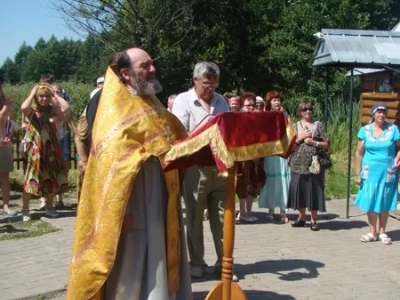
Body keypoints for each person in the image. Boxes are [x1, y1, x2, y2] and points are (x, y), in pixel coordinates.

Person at [66, 47, 192, 300]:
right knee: (134, 252)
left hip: (159, 190)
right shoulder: (106, 104)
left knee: (159, 245)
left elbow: (170, 133)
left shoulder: (150, 100)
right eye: (145, 66)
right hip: (131, 197)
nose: (152, 69)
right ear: (125, 73)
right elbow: (110, 152)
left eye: (152, 64)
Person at [172, 62, 238, 281]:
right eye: (207, 84)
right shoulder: (182, 101)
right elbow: (181, 134)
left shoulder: (223, 102)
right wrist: (207, 128)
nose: (211, 89)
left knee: (223, 218)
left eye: (214, 84)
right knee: (194, 217)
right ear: (195, 80)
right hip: (194, 169)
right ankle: (197, 263)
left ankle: (224, 263)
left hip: (220, 167)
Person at [75, 52, 121, 201]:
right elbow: (81, 132)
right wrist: (84, 161)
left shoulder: (137, 97)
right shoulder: (100, 97)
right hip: (102, 165)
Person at [20, 84, 70, 221]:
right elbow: (23, 107)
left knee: (51, 176)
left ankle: (49, 206)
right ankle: (25, 209)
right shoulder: (32, 109)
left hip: (51, 147)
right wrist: (32, 93)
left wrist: (55, 95)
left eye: (46, 96)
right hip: (34, 147)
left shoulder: (52, 110)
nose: (44, 99)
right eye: (41, 96)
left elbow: (66, 108)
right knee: (31, 176)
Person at [354, 103, 400, 245]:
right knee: (371, 200)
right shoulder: (365, 130)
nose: (381, 115)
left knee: (385, 200)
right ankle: (372, 232)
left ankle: (382, 232)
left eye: (383, 112)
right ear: (373, 114)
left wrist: (398, 157)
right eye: (378, 112)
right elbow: (359, 153)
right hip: (369, 172)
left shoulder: (393, 129)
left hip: (387, 171)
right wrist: (357, 173)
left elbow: (399, 147)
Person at [287, 101, 329, 231]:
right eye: (304, 110)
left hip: (314, 163)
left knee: (314, 190)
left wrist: (313, 142)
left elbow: (327, 144)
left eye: (310, 109)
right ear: (300, 112)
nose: (308, 112)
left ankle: (314, 220)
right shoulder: (294, 126)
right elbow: (288, 146)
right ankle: (302, 218)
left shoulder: (318, 125)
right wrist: (300, 138)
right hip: (297, 163)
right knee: (300, 191)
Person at [259, 91, 291, 223]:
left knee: (284, 181)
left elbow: (290, 132)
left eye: (278, 100)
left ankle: (284, 211)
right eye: (274, 100)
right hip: (270, 152)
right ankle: (271, 209)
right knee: (271, 181)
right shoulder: (265, 116)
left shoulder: (285, 115)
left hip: (283, 152)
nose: (277, 102)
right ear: (269, 102)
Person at [235, 92, 264, 223]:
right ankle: (242, 212)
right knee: (243, 184)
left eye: (253, 105)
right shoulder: (237, 120)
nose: (251, 108)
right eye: (248, 105)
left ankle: (249, 211)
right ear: (241, 106)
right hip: (242, 158)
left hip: (256, 158)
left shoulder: (258, 120)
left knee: (253, 182)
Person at [0, 83, 16, 216]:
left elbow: (11, 123)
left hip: (4, 145)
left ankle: (6, 206)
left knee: (5, 176)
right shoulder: (5, 105)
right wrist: (6, 106)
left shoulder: (5, 104)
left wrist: (9, 136)